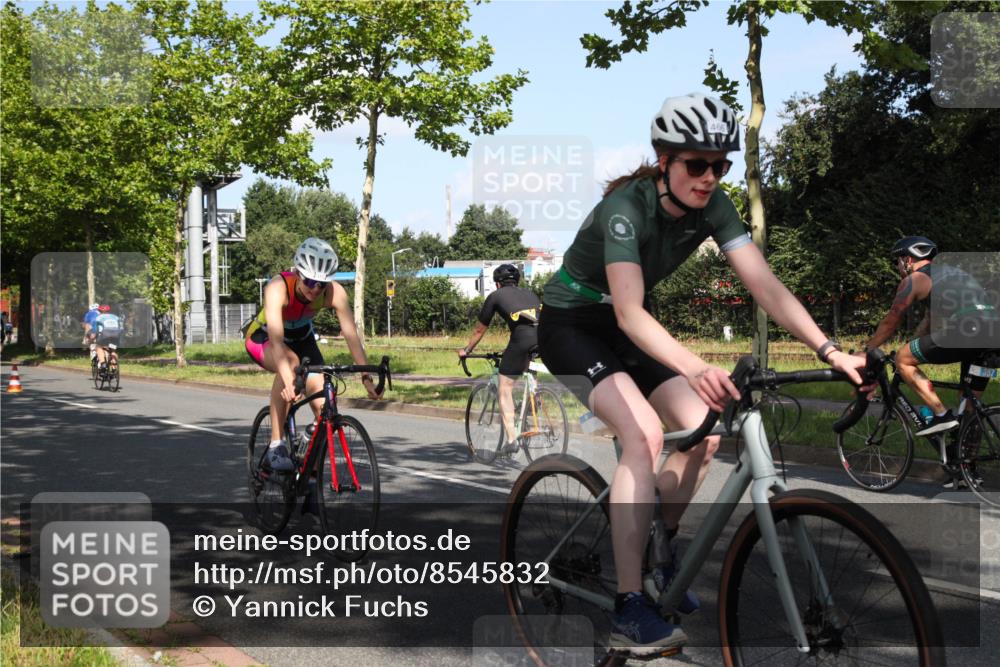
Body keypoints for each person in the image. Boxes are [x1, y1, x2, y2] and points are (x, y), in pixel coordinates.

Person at [536, 93, 867, 653]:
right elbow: (627, 311)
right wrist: (694, 364)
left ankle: (652, 546)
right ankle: (627, 607)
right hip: (571, 326)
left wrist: (830, 350)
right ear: (664, 160)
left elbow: (764, 285)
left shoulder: (716, 207)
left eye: (721, 165)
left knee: (707, 430)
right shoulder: (626, 210)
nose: (710, 177)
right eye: (696, 164)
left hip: (627, 327)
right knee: (642, 433)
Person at [244, 237, 381, 473]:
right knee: (290, 362)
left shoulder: (334, 293)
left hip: (303, 340)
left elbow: (351, 335)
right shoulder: (278, 288)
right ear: (298, 273)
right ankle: (276, 445)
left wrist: (366, 375)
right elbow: (277, 341)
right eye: (309, 281)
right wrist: (288, 379)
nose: (315, 289)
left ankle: (309, 480)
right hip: (265, 338)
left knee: (325, 406)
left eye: (321, 284)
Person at [863, 236, 998, 444]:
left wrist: (868, 350)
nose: (897, 267)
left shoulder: (913, 280)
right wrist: (909, 350)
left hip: (970, 329)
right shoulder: (953, 274)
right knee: (969, 409)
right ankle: (966, 469)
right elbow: (929, 322)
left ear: (907, 260)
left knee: (903, 358)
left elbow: (891, 321)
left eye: (897, 261)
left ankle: (941, 415)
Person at [458, 264, 541, 455]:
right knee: (530, 366)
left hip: (521, 339)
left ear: (497, 284)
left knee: (505, 386)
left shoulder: (495, 296)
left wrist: (467, 349)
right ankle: (535, 397)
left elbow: (480, 329)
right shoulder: (531, 294)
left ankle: (512, 440)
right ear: (517, 281)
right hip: (545, 338)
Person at [92, 305, 124, 370]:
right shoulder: (116, 317)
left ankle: (103, 364)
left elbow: (95, 330)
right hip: (116, 335)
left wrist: (92, 338)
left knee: (99, 347)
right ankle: (114, 368)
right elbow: (121, 328)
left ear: (99, 311)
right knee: (112, 350)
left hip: (105, 335)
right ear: (109, 311)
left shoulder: (98, 318)